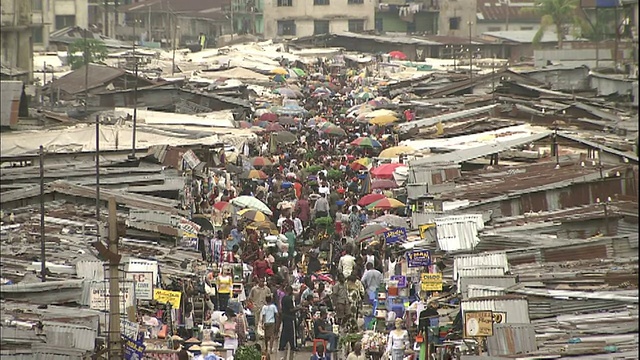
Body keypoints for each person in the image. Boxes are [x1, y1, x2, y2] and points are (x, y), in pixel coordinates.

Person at [278, 285, 299, 354]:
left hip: (285, 317)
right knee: (292, 333)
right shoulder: (289, 299)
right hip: (290, 317)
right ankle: (293, 346)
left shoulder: (283, 298)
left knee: (285, 332)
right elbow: (291, 309)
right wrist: (299, 308)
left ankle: (282, 345)